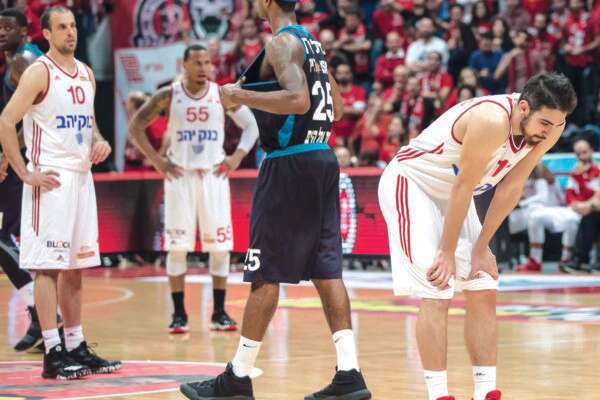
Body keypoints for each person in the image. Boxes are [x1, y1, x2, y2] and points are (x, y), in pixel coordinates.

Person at [179, 0, 371, 399]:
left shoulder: (281, 43)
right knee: (327, 271)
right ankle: (349, 373)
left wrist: (240, 94)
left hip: (289, 163)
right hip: (322, 158)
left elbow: (298, 100)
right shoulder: (312, 44)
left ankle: (237, 378)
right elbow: (335, 108)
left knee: (264, 271)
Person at [378, 72, 576, 400]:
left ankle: (485, 391)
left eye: (557, 124)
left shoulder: (551, 126)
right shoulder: (491, 119)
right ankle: (438, 394)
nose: (549, 131)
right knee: (437, 284)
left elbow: (512, 186)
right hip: (414, 183)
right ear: (523, 108)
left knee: (483, 281)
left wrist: (482, 247)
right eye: (544, 123)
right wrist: (447, 251)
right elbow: (463, 185)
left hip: (456, 193)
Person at [0, 6, 121, 379]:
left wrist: (100, 141)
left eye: (72, 26)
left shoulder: (86, 73)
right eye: (62, 27)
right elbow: (6, 120)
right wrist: (24, 172)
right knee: (48, 268)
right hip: (50, 180)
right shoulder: (39, 72)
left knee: (75, 268)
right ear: (47, 34)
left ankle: (75, 344)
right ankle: (52, 353)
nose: (70, 32)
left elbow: (90, 123)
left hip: (81, 179)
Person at [129, 44, 259, 334]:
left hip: (213, 176)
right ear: (184, 65)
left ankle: (219, 312)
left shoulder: (221, 94)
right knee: (177, 248)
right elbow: (136, 126)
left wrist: (236, 157)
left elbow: (251, 126)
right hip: (180, 177)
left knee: (220, 248)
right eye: (197, 63)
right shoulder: (169, 95)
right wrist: (157, 161)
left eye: (207, 62)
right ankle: (179, 314)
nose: (203, 68)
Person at [0, 7, 46, 352]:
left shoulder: (25, 60)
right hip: (21, 160)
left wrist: (8, 156)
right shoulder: (17, 60)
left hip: (24, 163)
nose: (2, 32)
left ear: (25, 30)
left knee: (6, 240)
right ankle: (46, 319)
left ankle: (44, 317)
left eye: (8, 27)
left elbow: (36, 114)